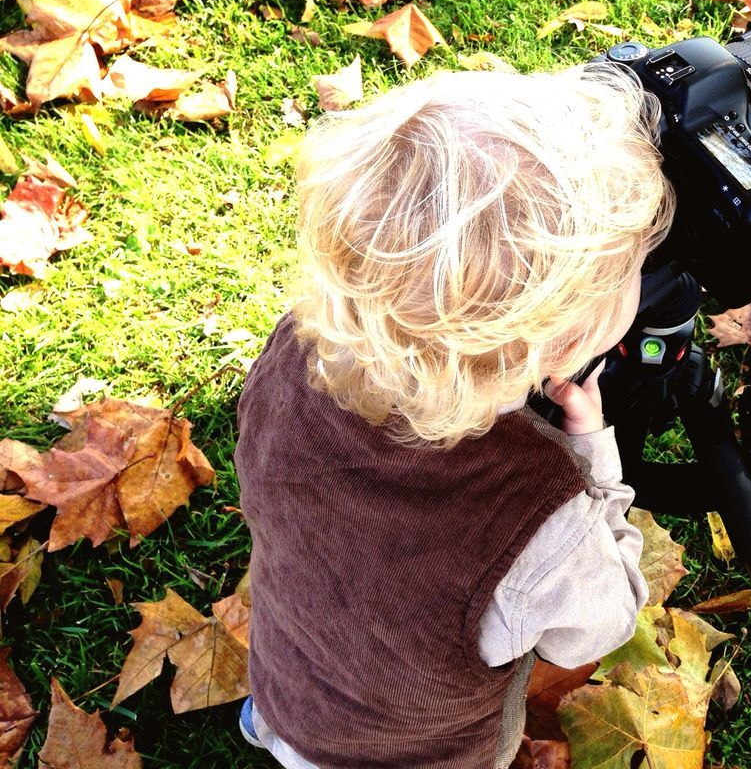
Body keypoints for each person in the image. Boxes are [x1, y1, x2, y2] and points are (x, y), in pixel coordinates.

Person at [232, 62, 677, 769]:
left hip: (291, 691)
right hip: (424, 753)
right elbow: (597, 627)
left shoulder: (297, 346)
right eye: (630, 270)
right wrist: (592, 467)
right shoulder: (536, 515)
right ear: (559, 342)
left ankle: (270, 734)